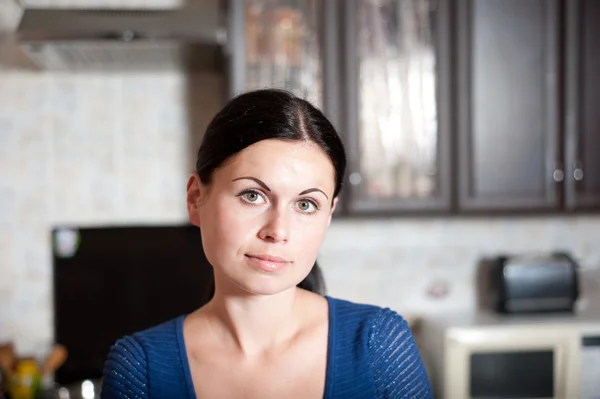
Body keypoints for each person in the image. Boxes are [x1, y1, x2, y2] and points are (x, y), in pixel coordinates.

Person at [100, 89, 432, 399]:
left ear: (328, 214)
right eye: (253, 195)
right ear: (195, 198)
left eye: (305, 204)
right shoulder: (139, 367)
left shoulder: (378, 344)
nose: (278, 231)